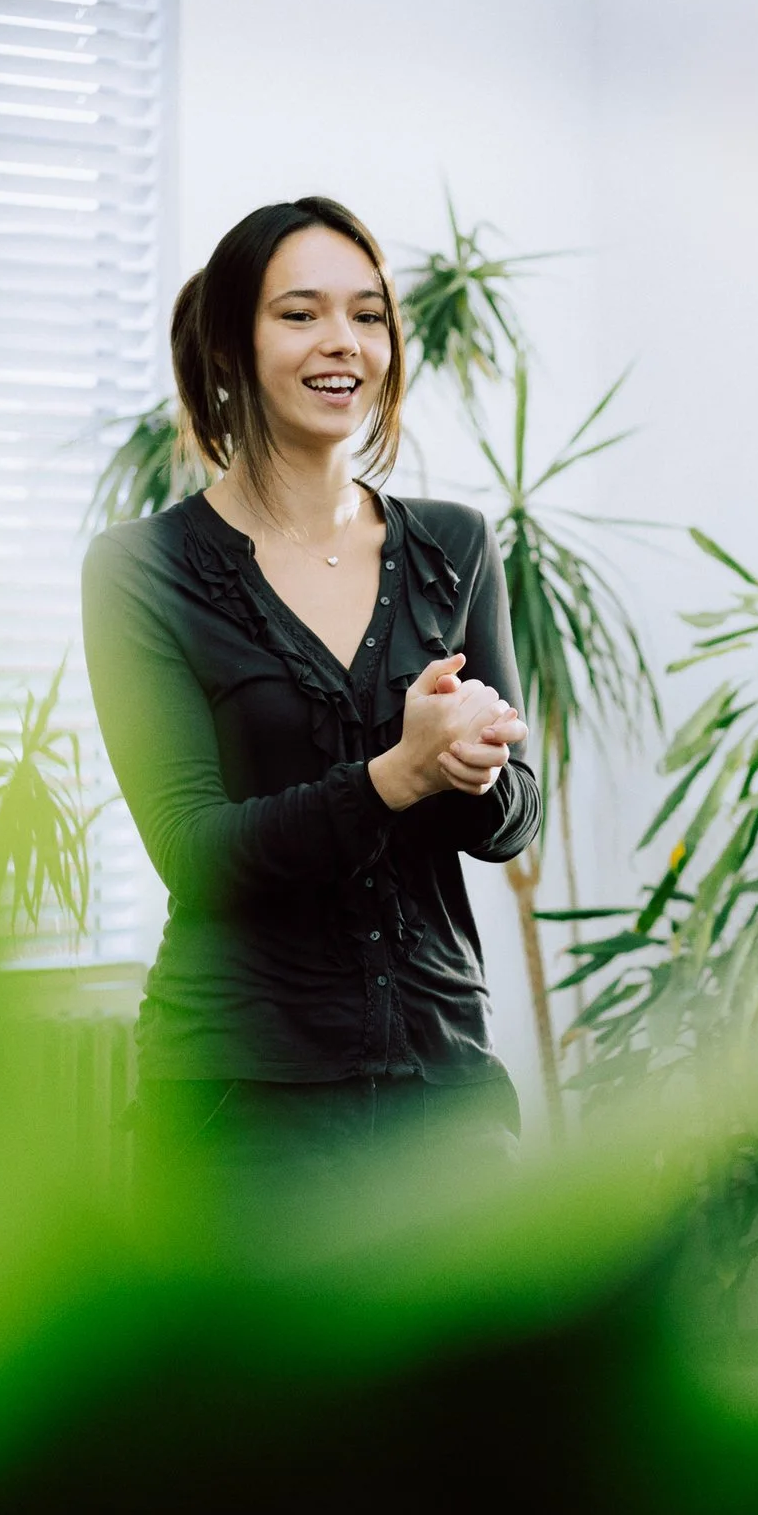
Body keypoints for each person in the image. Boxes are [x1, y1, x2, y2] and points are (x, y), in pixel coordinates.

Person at [82, 196, 539, 1247]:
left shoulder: (453, 545)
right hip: (240, 1097)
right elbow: (195, 853)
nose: (343, 341)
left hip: (442, 1083)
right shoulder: (143, 571)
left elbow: (514, 819)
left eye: (368, 314)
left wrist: (471, 764)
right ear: (233, 346)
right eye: (300, 313)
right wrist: (398, 771)